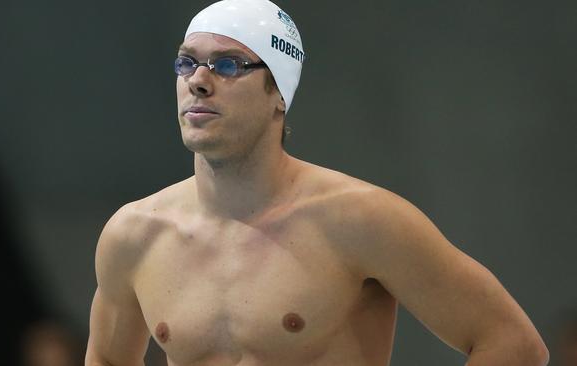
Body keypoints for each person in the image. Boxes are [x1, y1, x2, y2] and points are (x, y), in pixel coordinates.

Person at [85, 1, 549, 365]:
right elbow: (106, 356)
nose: (199, 82)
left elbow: (512, 343)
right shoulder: (135, 235)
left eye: (228, 65)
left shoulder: (359, 220)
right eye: (187, 63)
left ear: (278, 97)